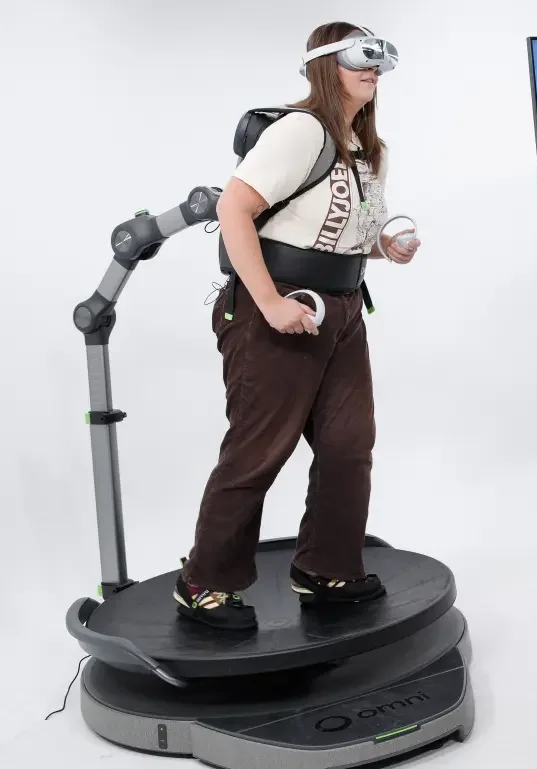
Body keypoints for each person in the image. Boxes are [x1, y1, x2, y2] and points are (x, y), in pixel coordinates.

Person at [174, 21, 420, 630]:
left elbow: (350, 229)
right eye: (359, 60)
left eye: (378, 62)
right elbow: (235, 208)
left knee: (347, 444)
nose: (373, 71)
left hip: (340, 310)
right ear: (323, 66)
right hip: (275, 306)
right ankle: (204, 583)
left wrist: (387, 245)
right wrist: (269, 303)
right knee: (259, 449)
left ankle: (325, 569)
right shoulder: (300, 131)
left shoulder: (372, 149)